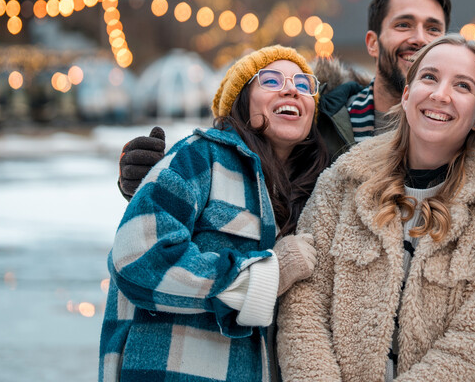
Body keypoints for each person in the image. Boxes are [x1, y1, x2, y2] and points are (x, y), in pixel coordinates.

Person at [117, 0, 475, 199]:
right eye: (403, 25)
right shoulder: (318, 119)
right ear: (373, 43)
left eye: (433, 29)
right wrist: (158, 179)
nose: (419, 38)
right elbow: (240, 161)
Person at [275, 35, 475, 381]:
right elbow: (303, 310)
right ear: (407, 95)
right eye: (429, 78)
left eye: (463, 86)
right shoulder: (343, 182)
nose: (441, 94)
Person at [99, 46, 327, 382]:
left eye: (303, 84)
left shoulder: (311, 193)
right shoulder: (202, 156)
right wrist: (265, 276)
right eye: (271, 80)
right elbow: (137, 256)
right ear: (241, 100)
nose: (291, 89)